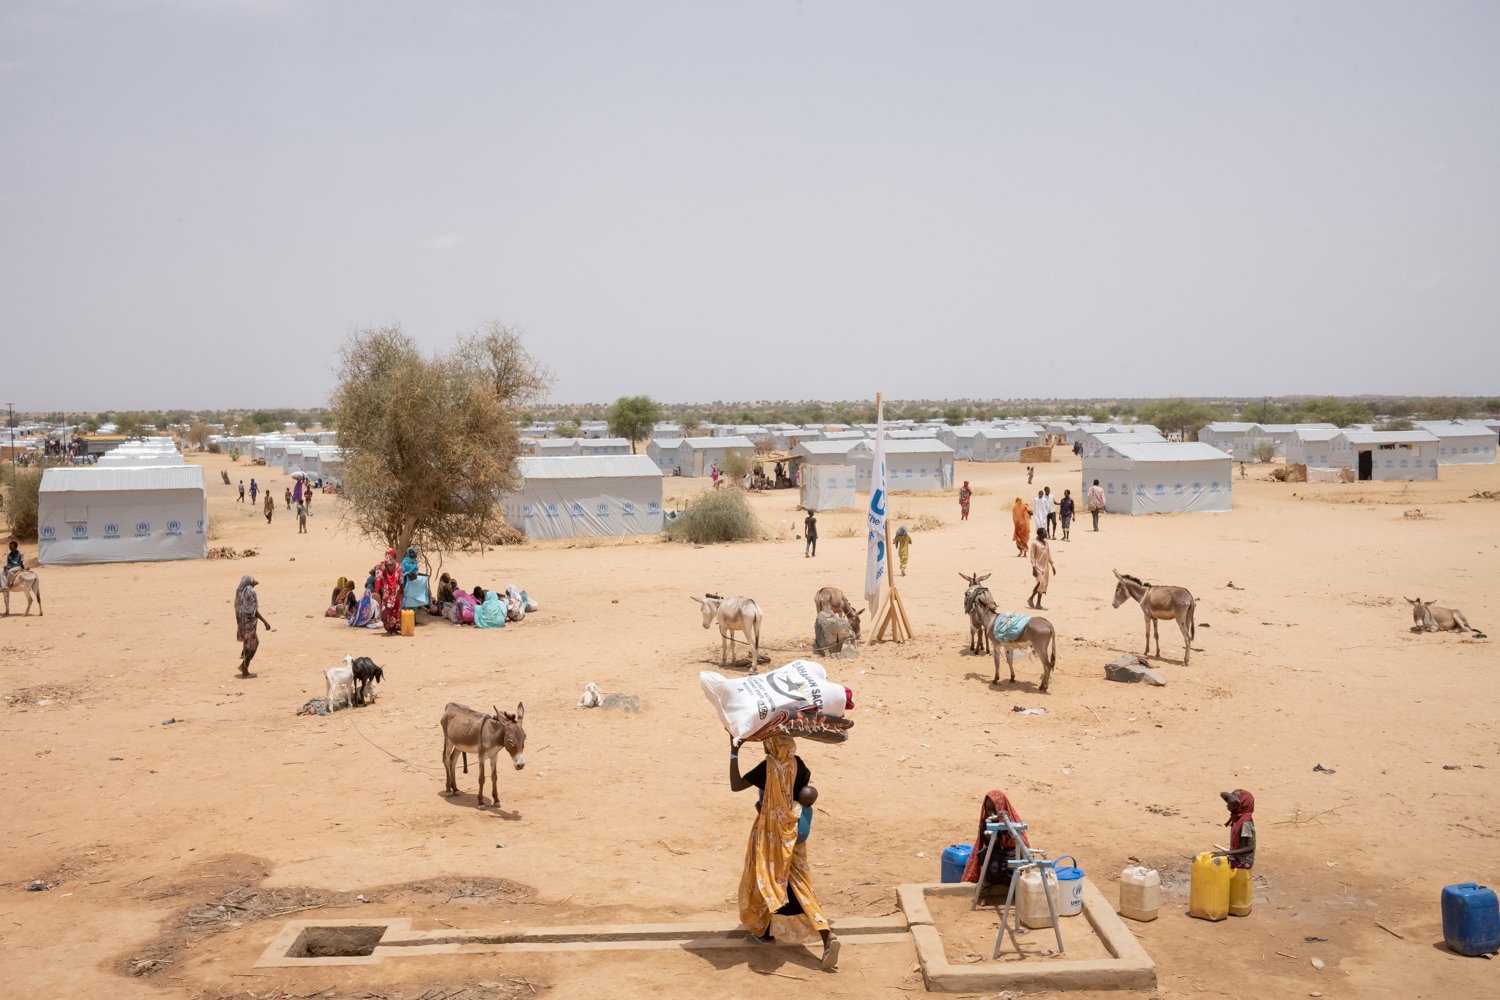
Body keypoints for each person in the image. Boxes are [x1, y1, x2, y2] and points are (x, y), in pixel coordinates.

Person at [729, 735, 839, 970]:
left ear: (771, 745)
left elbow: (736, 785)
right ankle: (827, 936)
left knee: (765, 880)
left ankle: (762, 931)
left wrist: (734, 751)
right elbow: (803, 794)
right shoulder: (799, 764)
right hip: (794, 833)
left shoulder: (768, 767)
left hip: (772, 836)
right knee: (800, 886)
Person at [234, 575, 272, 678]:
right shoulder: (250, 592)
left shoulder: (239, 591)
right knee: (253, 644)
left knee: (248, 644)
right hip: (248, 624)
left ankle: (244, 666)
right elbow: (253, 611)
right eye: (252, 580)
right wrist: (265, 622)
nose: (255, 581)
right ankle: (244, 669)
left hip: (241, 623)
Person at [1213, 789, 1257, 871]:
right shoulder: (1237, 818)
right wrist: (1230, 797)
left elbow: (1250, 847)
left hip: (1243, 861)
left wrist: (1227, 853)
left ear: (1239, 805)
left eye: (1230, 803)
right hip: (1236, 857)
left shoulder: (1245, 823)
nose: (1227, 805)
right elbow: (1222, 794)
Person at [375, 548, 404, 634]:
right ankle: (394, 629)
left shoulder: (381, 565)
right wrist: (402, 590)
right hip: (396, 593)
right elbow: (401, 580)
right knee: (395, 610)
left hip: (386, 592)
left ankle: (388, 629)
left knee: (387, 610)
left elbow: (377, 578)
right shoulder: (398, 566)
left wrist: (377, 589)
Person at [1028, 527, 1057, 610]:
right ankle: (1031, 598)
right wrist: (1033, 567)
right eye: (1044, 532)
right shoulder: (1034, 543)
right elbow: (1032, 556)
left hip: (1045, 567)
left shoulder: (1046, 543)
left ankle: (1037, 603)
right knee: (1040, 583)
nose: (1046, 534)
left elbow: (1049, 554)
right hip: (1037, 566)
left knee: (1043, 584)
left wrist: (1052, 565)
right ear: (1040, 534)